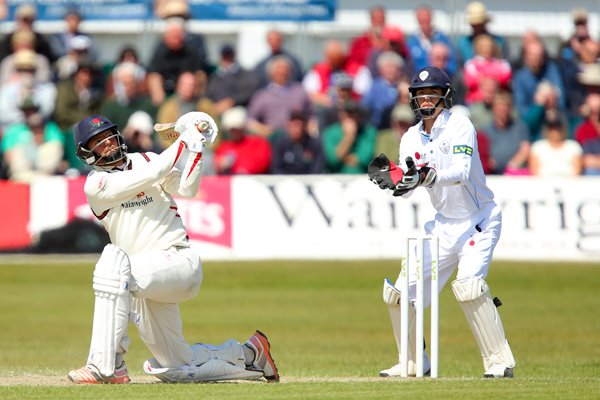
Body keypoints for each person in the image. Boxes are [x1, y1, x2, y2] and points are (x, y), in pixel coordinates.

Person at [67, 112, 279, 384]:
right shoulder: (97, 185)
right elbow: (152, 175)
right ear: (87, 152)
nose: (107, 142)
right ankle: (250, 355)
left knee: (112, 262)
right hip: (141, 281)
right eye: (98, 141)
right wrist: (184, 140)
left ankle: (106, 364)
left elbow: (187, 188)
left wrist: (195, 148)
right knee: (176, 367)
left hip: (177, 262)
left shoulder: (147, 159)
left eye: (109, 135)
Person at [367, 66, 516, 378]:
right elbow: (410, 188)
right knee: (396, 295)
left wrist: (426, 176)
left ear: (445, 96)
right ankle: (412, 362)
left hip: (479, 219)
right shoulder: (410, 137)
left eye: (431, 94)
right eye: (420, 95)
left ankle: (500, 363)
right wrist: (398, 182)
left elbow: (461, 173)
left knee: (469, 287)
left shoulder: (460, 125)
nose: (425, 100)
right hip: (442, 225)